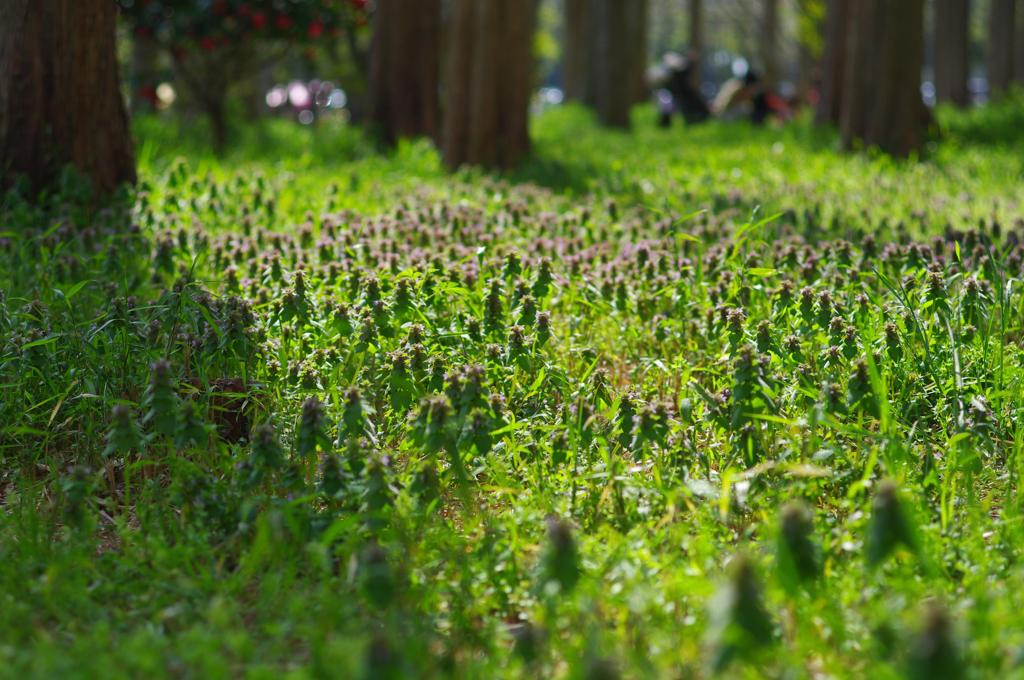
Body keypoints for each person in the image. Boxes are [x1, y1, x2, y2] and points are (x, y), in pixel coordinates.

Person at [655, 52, 710, 128]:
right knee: (666, 103)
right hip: (675, 96)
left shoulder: (685, 67)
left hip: (686, 97)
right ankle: (665, 125)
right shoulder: (666, 71)